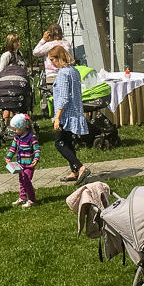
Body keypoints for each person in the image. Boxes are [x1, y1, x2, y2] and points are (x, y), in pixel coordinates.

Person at [48, 46, 91, 184]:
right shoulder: (74, 71)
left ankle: (80, 167)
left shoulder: (63, 74)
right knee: (67, 142)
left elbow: (64, 97)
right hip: (74, 113)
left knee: (59, 144)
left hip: (65, 115)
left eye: (52, 59)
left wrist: (57, 117)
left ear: (59, 58)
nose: (51, 63)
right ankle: (74, 170)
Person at [4, 114, 40, 208]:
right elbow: (13, 148)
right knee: (21, 180)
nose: (14, 131)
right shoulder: (17, 137)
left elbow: (37, 149)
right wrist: (9, 157)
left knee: (27, 181)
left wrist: (36, 159)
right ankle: (22, 197)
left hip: (29, 164)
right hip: (20, 163)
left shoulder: (31, 137)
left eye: (15, 129)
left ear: (22, 127)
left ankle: (32, 199)